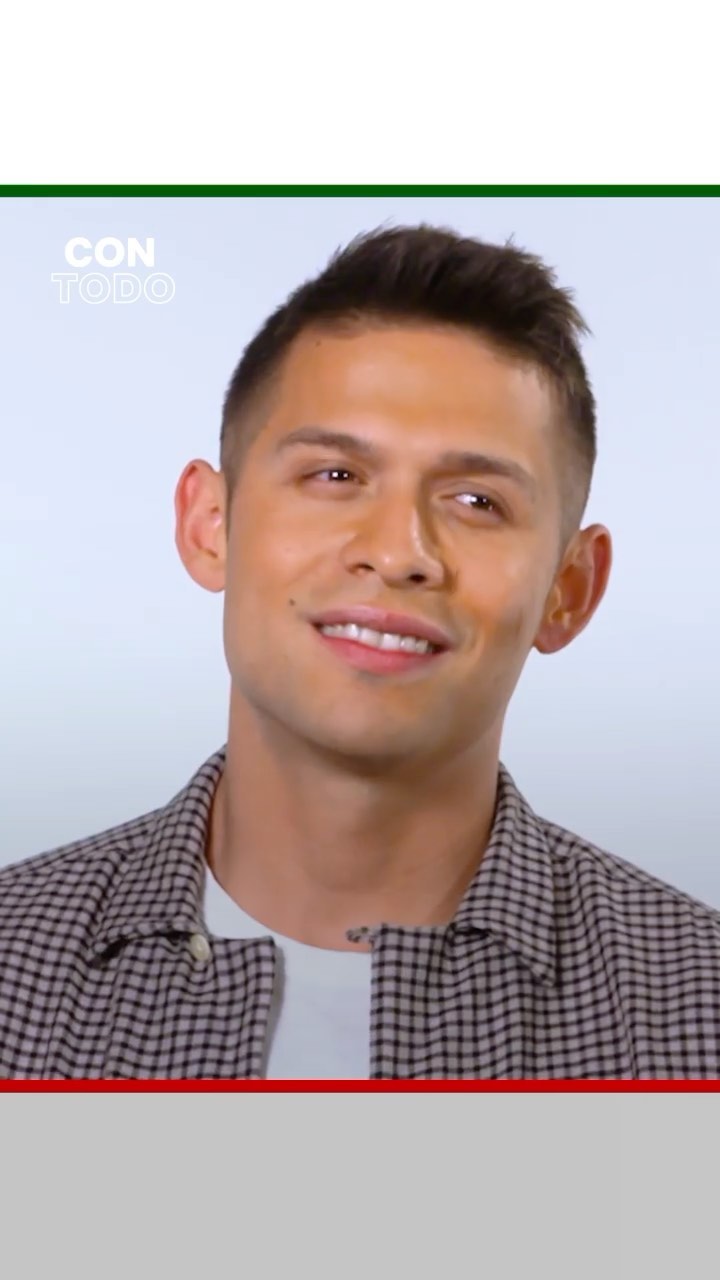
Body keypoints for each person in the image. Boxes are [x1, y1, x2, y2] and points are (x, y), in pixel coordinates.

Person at [2, 223, 718, 1081]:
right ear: (210, 525)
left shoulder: (697, 1004)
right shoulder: (14, 964)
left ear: (570, 589)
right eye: (335, 476)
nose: (397, 551)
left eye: (476, 501)